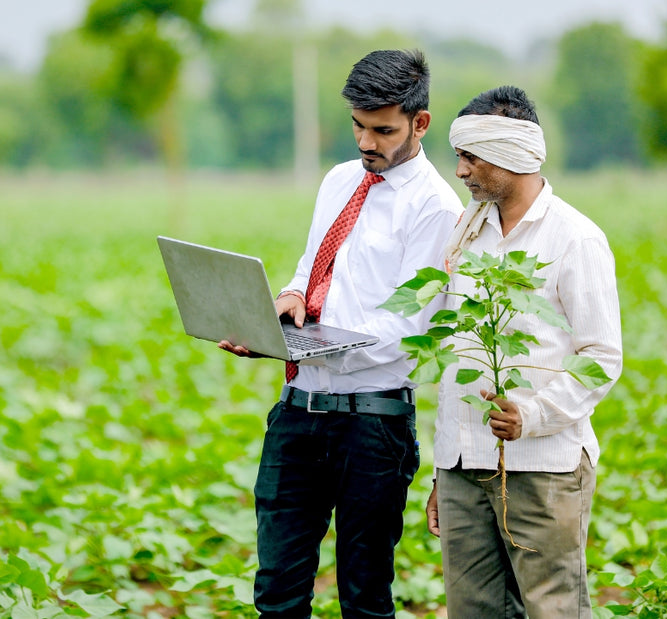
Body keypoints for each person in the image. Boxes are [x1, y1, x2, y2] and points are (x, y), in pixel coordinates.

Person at [219, 49, 463, 618]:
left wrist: (325, 339)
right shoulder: (337, 181)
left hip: (373, 425)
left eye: (382, 130)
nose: (365, 143)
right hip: (298, 411)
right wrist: (287, 304)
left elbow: (409, 325)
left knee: (364, 596)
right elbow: (312, 268)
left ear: (419, 123)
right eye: (357, 126)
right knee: (276, 590)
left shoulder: (434, 207)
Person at [425, 85, 623, 618]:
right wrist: (444, 471)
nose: (460, 171)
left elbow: (601, 355)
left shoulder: (574, 239)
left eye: (470, 157)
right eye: (458, 157)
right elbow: (457, 352)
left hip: (544, 468)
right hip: (464, 465)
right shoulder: (467, 234)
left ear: (513, 154)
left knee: (551, 609)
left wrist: (531, 415)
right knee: (473, 612)